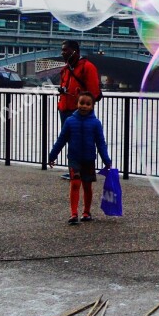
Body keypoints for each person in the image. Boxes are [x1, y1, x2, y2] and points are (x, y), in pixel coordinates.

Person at [48, 91, 112, 224]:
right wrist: (52, 155)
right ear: (77, 104)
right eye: (81, 103)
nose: (84, 106)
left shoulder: (95, 123)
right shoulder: (70, 121)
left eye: (87, 104)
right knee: (75, 183)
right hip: (74, 158)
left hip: (88, 159)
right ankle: (73, 213)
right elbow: (61, 140)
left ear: (92, 106)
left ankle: (86, 212)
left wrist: (106, 160)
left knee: (87, 186)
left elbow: (101, 143)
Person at [57, 40, 102, 180]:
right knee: (70, 142)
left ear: (75, 51)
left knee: (82, 142)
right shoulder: (66, 69)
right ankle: (73, 171)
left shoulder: (87, 67)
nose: (63, 53)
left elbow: (94, 92)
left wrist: (83, 107)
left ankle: (83, 172)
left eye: (66, 50)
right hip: (65, 110)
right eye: (62, 50)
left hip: (78, 112)